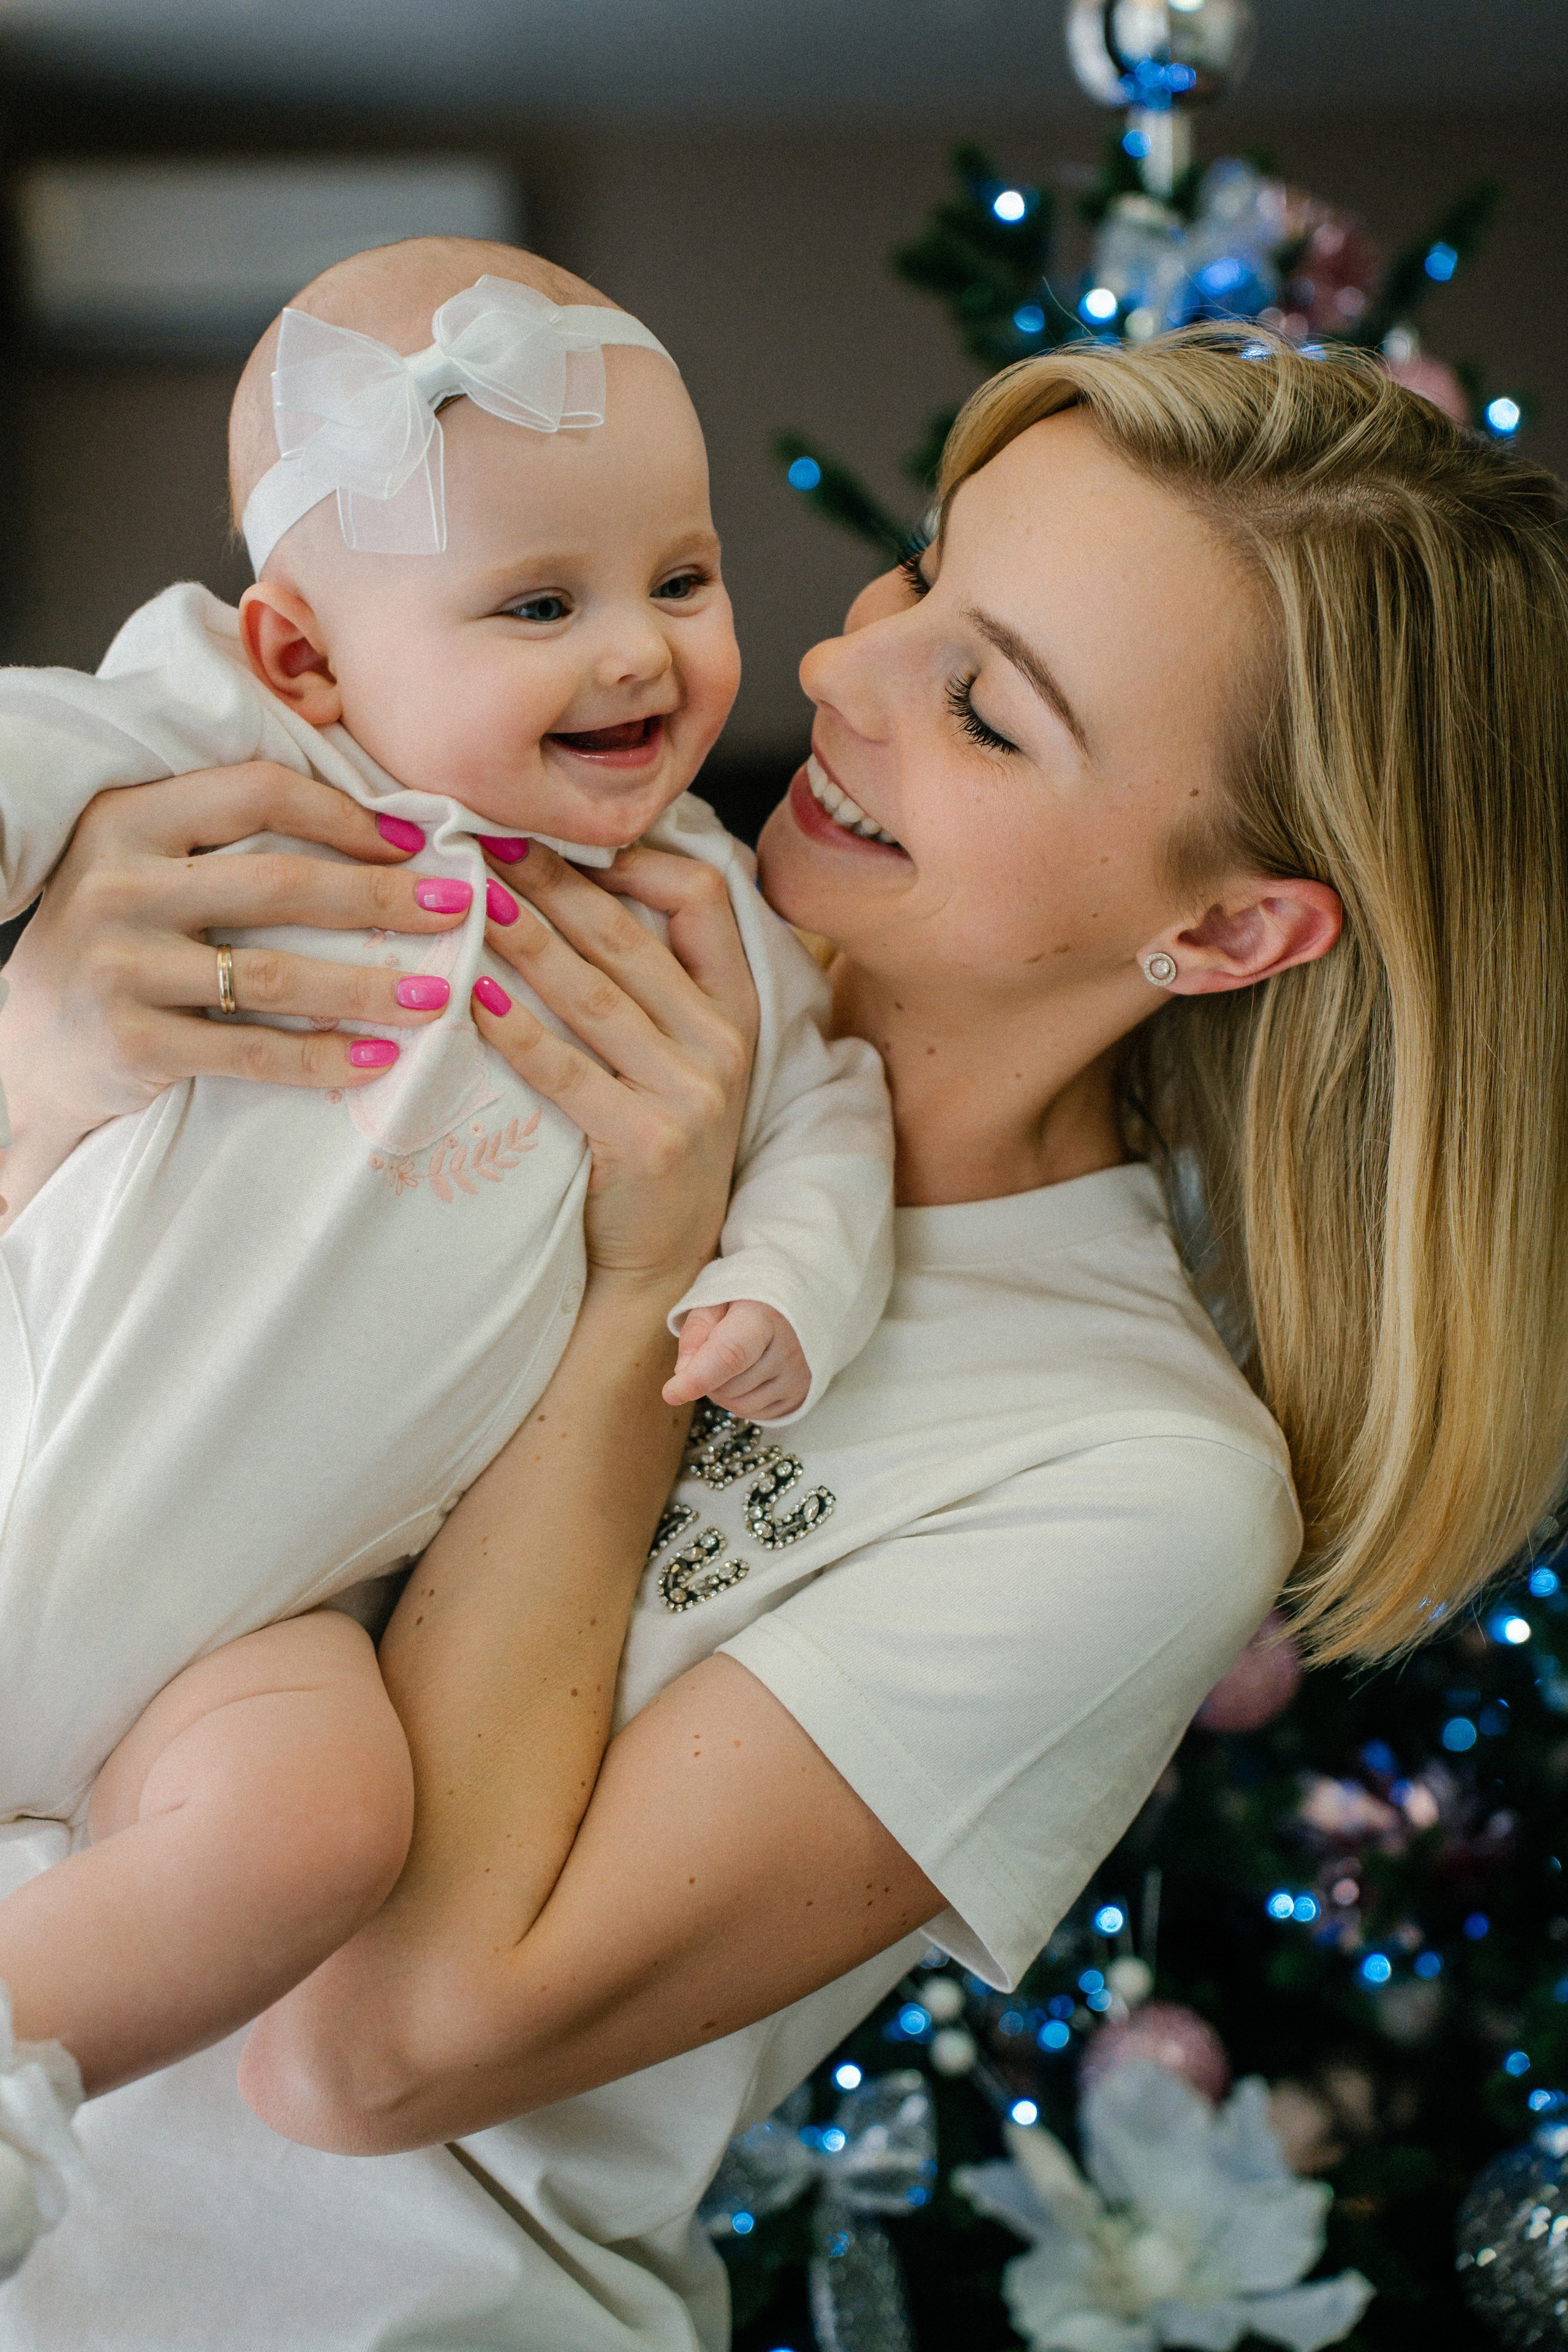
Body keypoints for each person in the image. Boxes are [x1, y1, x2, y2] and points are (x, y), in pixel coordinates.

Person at [1, 325, 1565, 2350]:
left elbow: (372, 2051)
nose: (837, 667)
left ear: (1234, 930)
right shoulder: (551, 901)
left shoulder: (1132, 1473)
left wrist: (649, 1289)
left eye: (987, 708)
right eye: (921, 575)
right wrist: (34, 1076)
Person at [0, 233, 894, 2168]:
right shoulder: (244, 754)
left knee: (323, 1830)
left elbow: (831, 1112)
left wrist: (788, 1287)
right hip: (29, 1423)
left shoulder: (714, 914)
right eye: (538, 602)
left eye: (681, 576)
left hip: (244, 1637)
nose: (640, 650)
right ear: (310, 652)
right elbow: (23, 748)